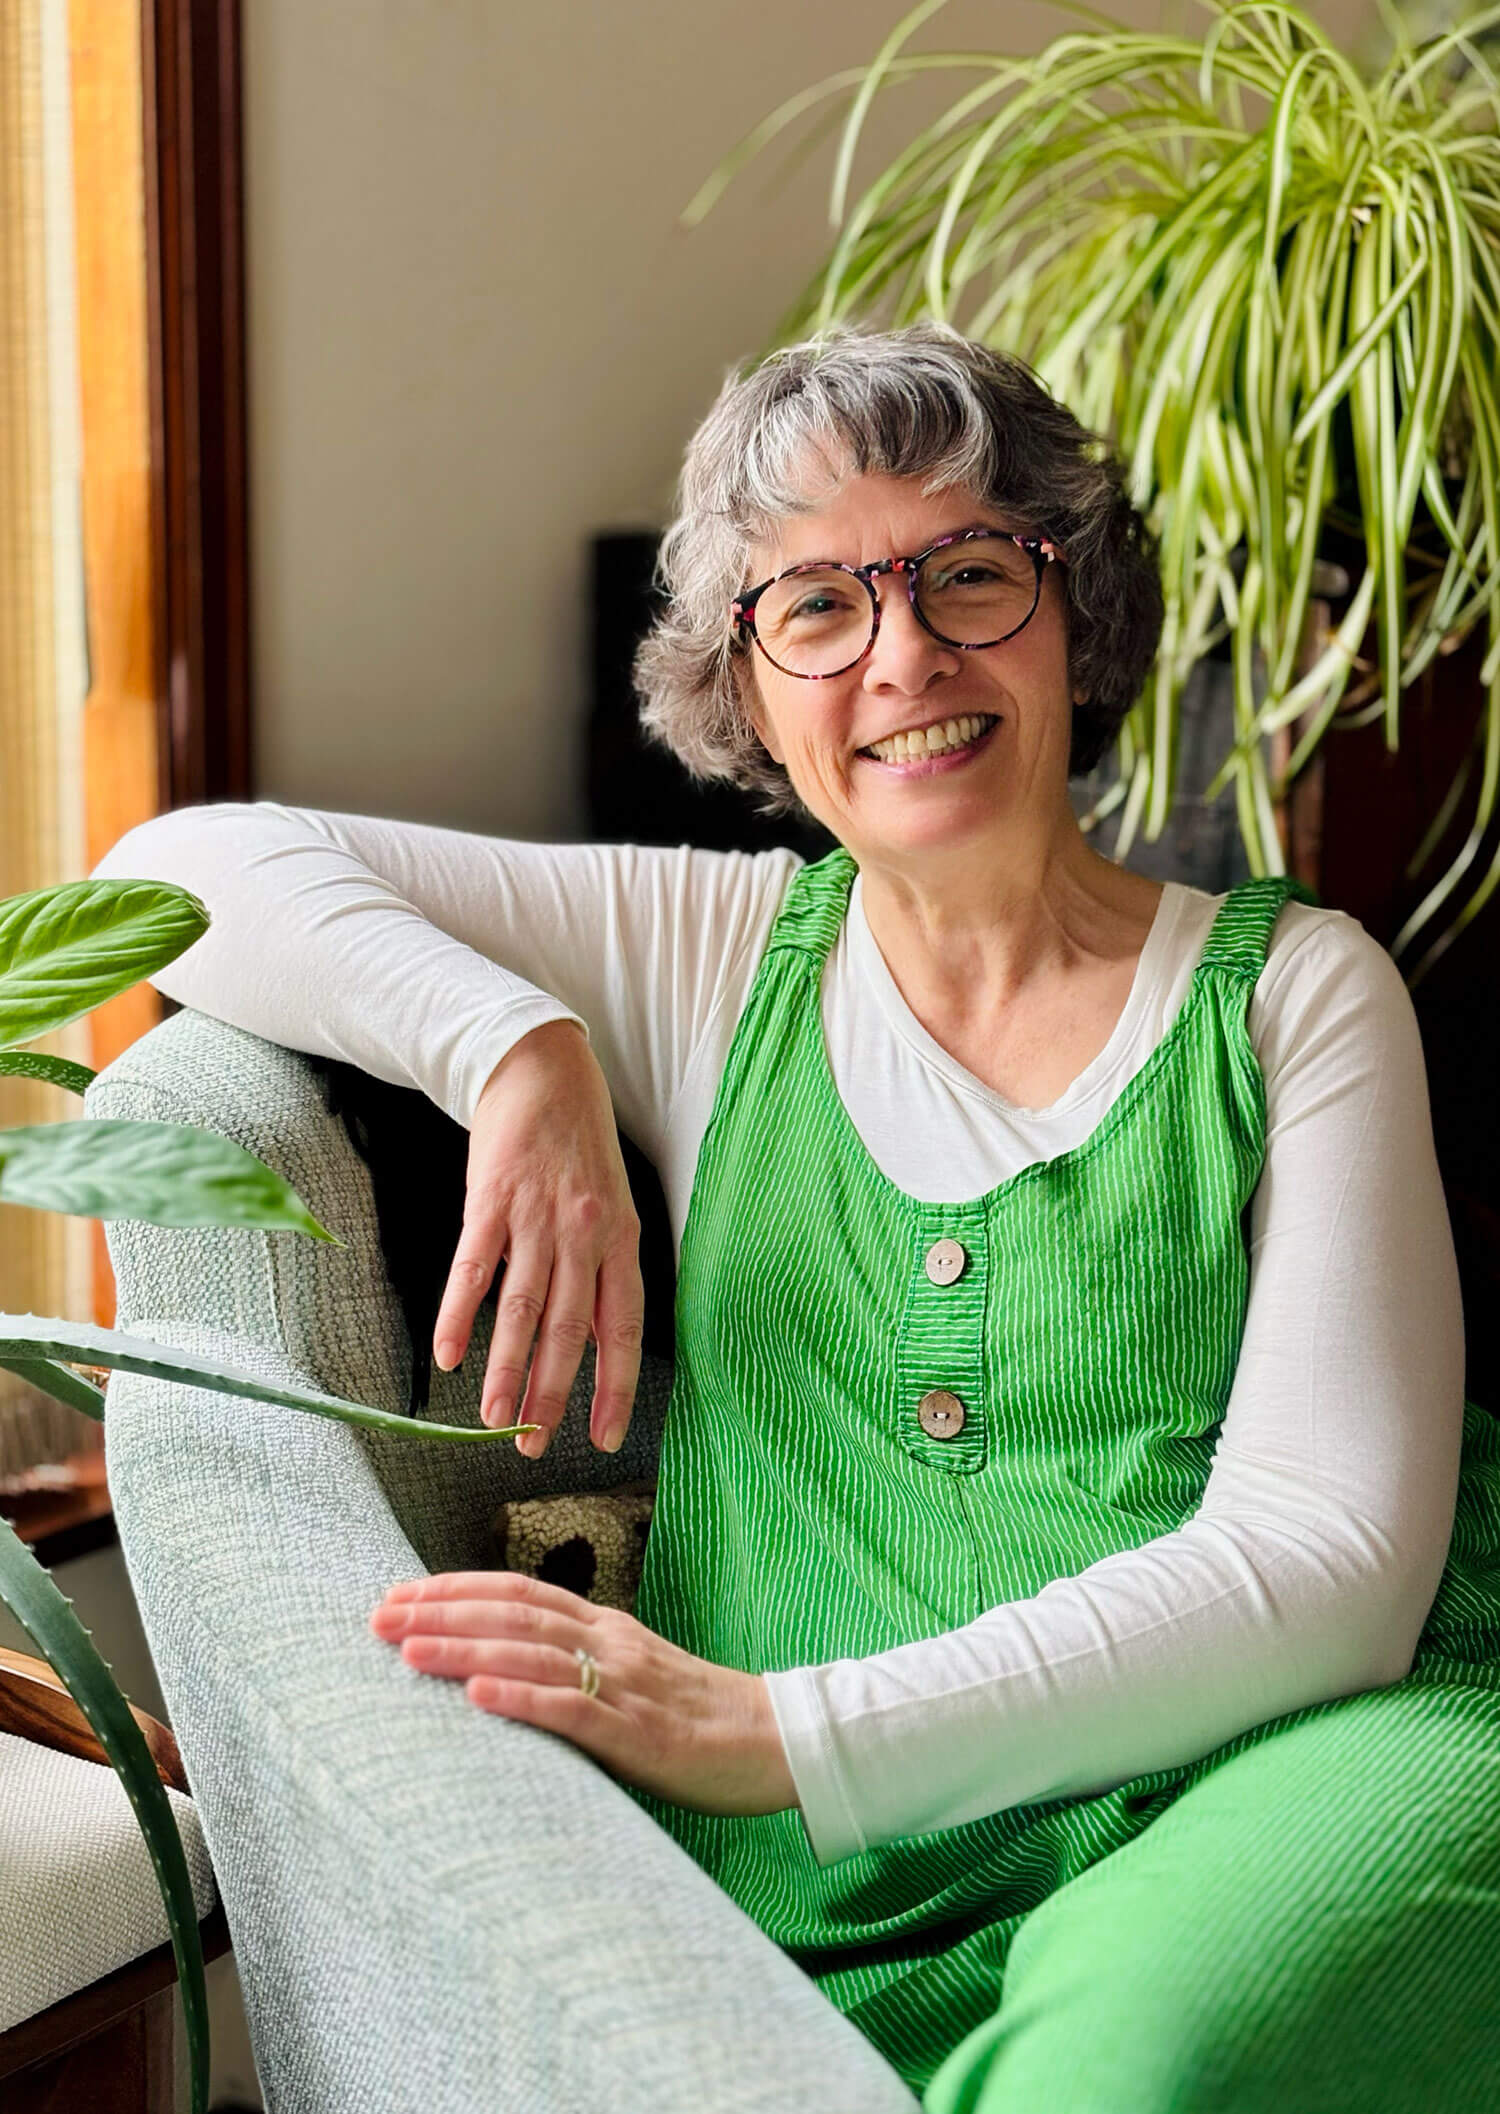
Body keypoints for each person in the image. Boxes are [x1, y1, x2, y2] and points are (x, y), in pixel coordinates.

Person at [98, 324, 1500, 2112]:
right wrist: (513, 1044)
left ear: (1074, 616)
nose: (904, 652)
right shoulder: (709, 960)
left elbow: (1328, 1575)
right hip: (826, 1885)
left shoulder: (1299, 995)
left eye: (969, 575)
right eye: (818, 607)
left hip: (1285, 1774)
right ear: (747, 692)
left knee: (1134, 2067)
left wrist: (773, 1731)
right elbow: (170, 876)